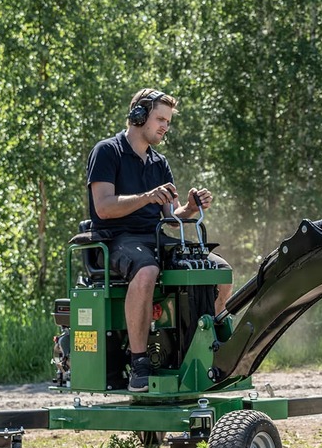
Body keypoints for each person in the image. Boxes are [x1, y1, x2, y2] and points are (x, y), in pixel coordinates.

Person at [86, 88, 232, 392]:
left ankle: (212, 350)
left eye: (168, 120)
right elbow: (104, 207)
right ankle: (139, 364)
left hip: (155, 237)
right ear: (138, 116)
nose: (165, 126)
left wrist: (191, 207)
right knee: (147, 270)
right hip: (116, 240)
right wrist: (146, 197)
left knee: (219, 269)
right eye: (160, 119)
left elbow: (171, 216)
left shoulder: (159, 163)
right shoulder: (107, 151)